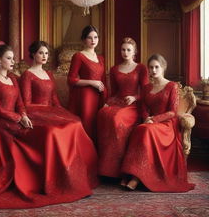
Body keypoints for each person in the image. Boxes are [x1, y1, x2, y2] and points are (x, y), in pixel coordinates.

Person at [0, 41, 97, 209]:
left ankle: (63, 179)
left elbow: (21, 102)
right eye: (9, 58)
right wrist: (17, 118)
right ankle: (36, 180)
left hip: (19, 118)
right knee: (44, 134)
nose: (13, 61)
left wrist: (22, 115)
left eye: (13, 58)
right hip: (3, 124)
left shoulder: (13, 78)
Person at [19, 41, 98, 195]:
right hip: (36, 113)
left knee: (75, 122)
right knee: (56, 130)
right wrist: (48, 113)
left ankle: (77, 174)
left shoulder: (49, 74)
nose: (44, 56)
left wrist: (62, 112)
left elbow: (54, 99)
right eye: (41, 53)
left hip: (51, 110)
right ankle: (61, 176)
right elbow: (27, 103)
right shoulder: (27, 75)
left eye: (46, 53)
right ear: (33, 54)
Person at [120, 54, 194, 192]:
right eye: (151, 67)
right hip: (150, 123)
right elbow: (143, 107)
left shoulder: (172, 86)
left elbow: (172, 112)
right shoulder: (147, 88)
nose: (153, 70)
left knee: (146, 130)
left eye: (156, 67)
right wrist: (147, 118)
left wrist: (154, 120)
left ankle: (136, 179)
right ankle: (133, 173)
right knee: (140, 129)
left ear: (163, 68)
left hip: (167, 125)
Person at [97, 37, 148, 178]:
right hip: (117, 102)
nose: (125, 52)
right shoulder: (114, 69)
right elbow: (114, 92)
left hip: (133, 105)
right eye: (123, 50)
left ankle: (119, 168)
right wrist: (108, 102)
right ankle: (106, 168)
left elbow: (145, 91)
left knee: (116, 118)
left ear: (134, 52)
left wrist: (134, 97)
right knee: (103, 113)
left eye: (128, 50)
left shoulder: (141, 68)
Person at [67, 25, 107, 142]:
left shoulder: (100, 58)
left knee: (98, 125)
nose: (93, 40)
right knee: (87, 124)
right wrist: (91, 82)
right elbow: (71, 79)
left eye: (95, 37)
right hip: (85, 96)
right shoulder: (79, 56)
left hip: (99, 95)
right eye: (90, 38)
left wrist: (105, 99)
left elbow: (103, 80)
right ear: (84, 39)